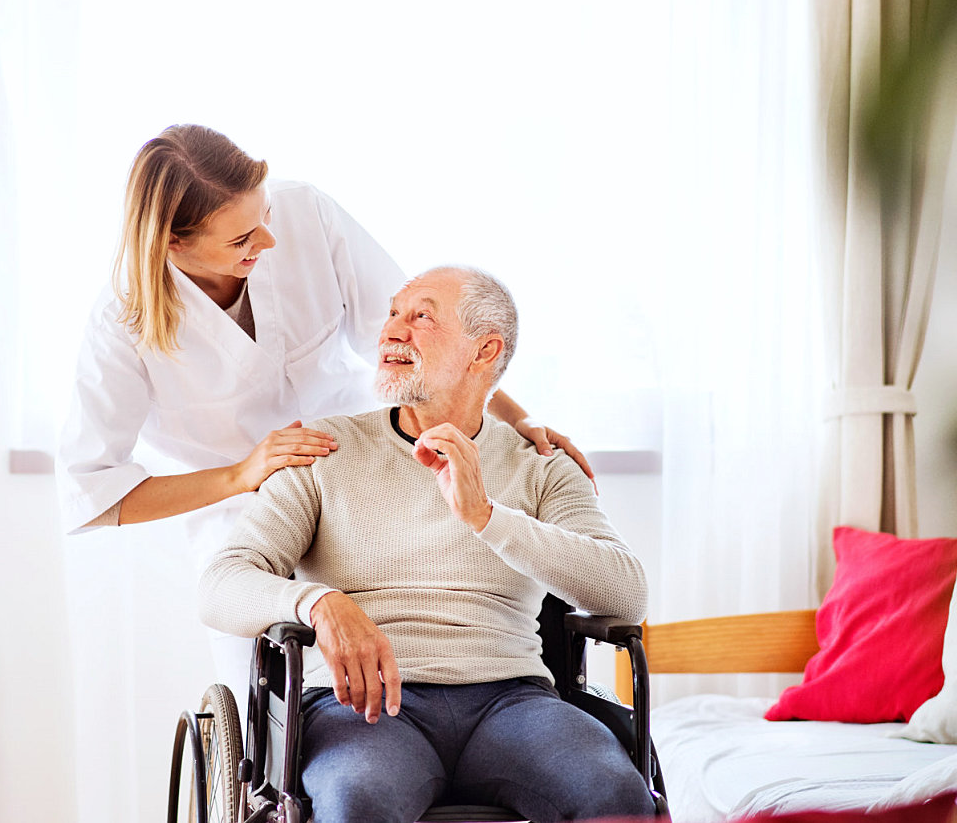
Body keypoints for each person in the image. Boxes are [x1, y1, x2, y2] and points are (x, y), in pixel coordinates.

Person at [57, 125, 592, 680]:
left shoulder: (303, 211)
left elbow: (403, 334)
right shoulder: (123, 322)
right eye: (241, 241)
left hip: (358, 482)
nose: (266, 240)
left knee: (416, 658)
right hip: (247, 516)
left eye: (262, 214)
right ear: (175, 244)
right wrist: (240, 475)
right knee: (274, 708)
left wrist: (517, 417)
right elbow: (93, 491)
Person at [196, 266, 655, 823]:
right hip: (361, 708)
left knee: (616, 794)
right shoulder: (325, 451)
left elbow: (626, 595)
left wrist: (487, 517)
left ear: (483, 351)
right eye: (392, 313)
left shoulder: (541, 467)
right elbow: (221, 584)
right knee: (356, 801)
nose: (391, 330)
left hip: (511, 701)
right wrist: (316, 602)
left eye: (421, 317)